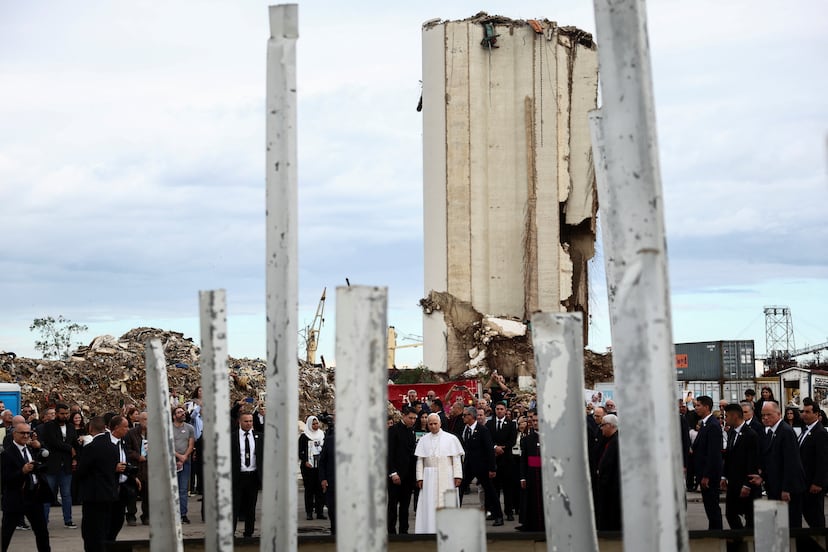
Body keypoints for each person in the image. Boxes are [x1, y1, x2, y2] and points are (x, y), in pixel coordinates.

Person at [749, 400, 806, 528]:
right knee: (779, 523)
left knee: (790, 524)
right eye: (763, 415)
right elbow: (771, 460)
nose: (765, 418)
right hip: (774, 486)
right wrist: (762, 476)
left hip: (787, 488)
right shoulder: (770, 431)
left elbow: (791, 463)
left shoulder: (785, 431)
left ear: (779, 414)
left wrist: (787, 489)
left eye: (769, 414)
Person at [77, 416, 130, 552]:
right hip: (109, 493)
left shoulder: (91, 447)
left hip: (93, 495)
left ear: (90, 429)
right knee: (105, 527)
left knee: (91, 532)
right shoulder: (113, 447)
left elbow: (82, 471)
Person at [1, 423, 52, 552]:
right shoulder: (7, 453)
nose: (25, 436)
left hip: (34, 497)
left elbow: (46, 458)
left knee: (42, 532)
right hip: (15, 498)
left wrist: (40, 447)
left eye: (27, 433)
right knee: (6, 534)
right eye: (22, 433)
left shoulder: (31, 449)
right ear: (14, 434)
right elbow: (4, 478)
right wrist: (22, 471)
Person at [414, 413, 464, 534]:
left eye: (435, 423)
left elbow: (456, 459)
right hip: (429, 476)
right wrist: (419, 478)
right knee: (429, 504)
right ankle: (430, 530)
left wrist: (458, 476)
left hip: (447, 475)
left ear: (440, 423)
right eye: (430, 424)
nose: (433, 426)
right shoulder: (423, 440)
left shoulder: (451, 438)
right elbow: (420, 460)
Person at [458, 406, 503, 526]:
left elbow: (489, 449)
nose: (463, 417)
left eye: (465, 415)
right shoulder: (465, 429)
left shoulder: (483, 430)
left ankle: (498, 516)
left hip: (482, 467)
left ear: (472, 416)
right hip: (468, 466)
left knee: (490, 491)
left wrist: (492, 468)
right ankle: (455, 513)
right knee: (460, 489)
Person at [720, 403, 760, 529]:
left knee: (750, 516)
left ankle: (748, 537)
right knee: (730, 514)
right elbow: (728, 457)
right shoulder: (732, 432)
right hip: (733, 482)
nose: (725, 419)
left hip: (745, 483)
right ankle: (738, 536)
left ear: (735, 416)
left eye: (726, 416)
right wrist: (724, 476)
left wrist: (747, 485)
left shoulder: (751, 435)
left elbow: (752, 462)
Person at [40, 402, 78, 528]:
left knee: (66, 494)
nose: (65, 416)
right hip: (52, 464)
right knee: (48, 493)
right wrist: (69, 449)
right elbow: (53, 442)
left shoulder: (71, 427)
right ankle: (43, 521)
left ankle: (68, 520)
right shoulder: (49, 426)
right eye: (62, 413)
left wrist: (75, 457)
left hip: (66, 465)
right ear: (56, 414)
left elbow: (74, 442)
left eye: (67, 413)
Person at [692, 395, 723, 530]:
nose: (696, 408)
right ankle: (713, 530)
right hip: (703, 472)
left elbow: (713, 453)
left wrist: (706, 475)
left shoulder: (713, 425)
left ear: (706, 407)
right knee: (709, 507)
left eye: (698, 405)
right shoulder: (705, 424)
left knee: (712, 506)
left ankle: (717, 532)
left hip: (709, 475)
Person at [231, 412, 263, 538]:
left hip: (253, 476)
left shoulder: (259, 437)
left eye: (250, 421)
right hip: (238, 476)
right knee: (234, 506)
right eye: (246, 421)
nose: (249, 424)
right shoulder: (232, 438)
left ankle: (249, 532)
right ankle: (230, 532)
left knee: (251, 506)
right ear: (240, 422)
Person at [798, 398, 827, 529]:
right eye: (803, 411)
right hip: (804, 481)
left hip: (813, 483)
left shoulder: (820, 432)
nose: (804, 414)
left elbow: (823, 460)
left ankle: (821, 538)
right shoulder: (806, 429)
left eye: (808, 412)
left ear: (816, 414)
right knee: (808, 513)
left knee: (816, 516)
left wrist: (818, 482)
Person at [387, 407, 417, 534]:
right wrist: (393, 473)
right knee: (393, 505)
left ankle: (404, 531)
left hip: (408, 476)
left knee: (405, 506)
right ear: (403, 416)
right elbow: (389, 453)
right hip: (396, 475)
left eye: (414, 418)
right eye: (410, 418)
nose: (413, 421)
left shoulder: (412, 431)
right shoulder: (393, 430)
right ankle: (391, 531)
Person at [486, 401, 517, 521]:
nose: (499, 411)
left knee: (508, 488)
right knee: (495, 488)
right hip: (494, 460)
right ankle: (495, 512)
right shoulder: (489, 424)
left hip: (506, 460)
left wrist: (502, 448)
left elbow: (512, 441)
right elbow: (488, 439)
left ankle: (509, 511)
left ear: (505, 410)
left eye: (501, 409)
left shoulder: (511, 424)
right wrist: (495, 447)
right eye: (497, 409)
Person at [518, 410, 544, 531]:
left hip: (545, 475)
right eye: (533, 421)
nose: (535, 423)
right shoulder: (527, 439)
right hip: (532, 475)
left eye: (538, 420)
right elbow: (523, 460)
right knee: (532, 501)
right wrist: (522, 477)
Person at [595, 414, 621, 531]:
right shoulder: (610, 441)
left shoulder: (616, 442)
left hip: (612, 491)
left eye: (603, 425)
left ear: (610, 426)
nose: (601, 428)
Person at [298, 416, 326, 520]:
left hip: (319, 467)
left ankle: (320, 512)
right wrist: (305, 460)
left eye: (317, 423)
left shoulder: (322, 434)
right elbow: (300, 451)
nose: (315, 426)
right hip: (308, 468)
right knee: (309, 489)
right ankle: (309, 512)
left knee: (320, 489)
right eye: (313, 424)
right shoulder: (304, 436)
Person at [171, 406, 195, 523]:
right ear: (174, 416)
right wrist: (178, 456)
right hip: (172, 461)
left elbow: (191, 444)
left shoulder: (190, 428)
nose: (182, 413)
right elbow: (167, 444)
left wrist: (184, 457)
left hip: (185, 462)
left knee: (183, 489)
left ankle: (183, 514)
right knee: (172, 488)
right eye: (179, 412)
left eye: (183, 411)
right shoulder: (169, 428)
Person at [124, 411, 149, 525]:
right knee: (132, 494)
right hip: (135, 467)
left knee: (148, 494)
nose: (147, 422)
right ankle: (131, 515)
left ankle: (146, 516)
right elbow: (127, 450)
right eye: (145, 419)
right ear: (139, 420)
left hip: (148, 468)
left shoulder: (153, 433)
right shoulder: (131, 433)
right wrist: (138, 456)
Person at [318, 414, 336, 535]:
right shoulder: (329, 441)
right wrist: (323, 479)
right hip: (332, 481)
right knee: (332, 509)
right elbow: (322, 461)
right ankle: (334, 531)